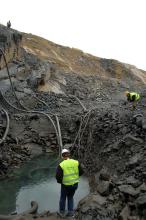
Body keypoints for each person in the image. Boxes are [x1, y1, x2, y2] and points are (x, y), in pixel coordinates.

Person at [56, 148, 84, 217]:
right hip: (75, 184)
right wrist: (75, 177)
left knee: (63, 198)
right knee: (70, 197)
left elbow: (58, 177)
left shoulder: (61, 165)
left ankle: (62, 212)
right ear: (69, 155)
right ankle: (70, 213)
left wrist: (60, 182)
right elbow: (81, 172)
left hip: (65, 185)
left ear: (62, 156)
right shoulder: (76, 162)